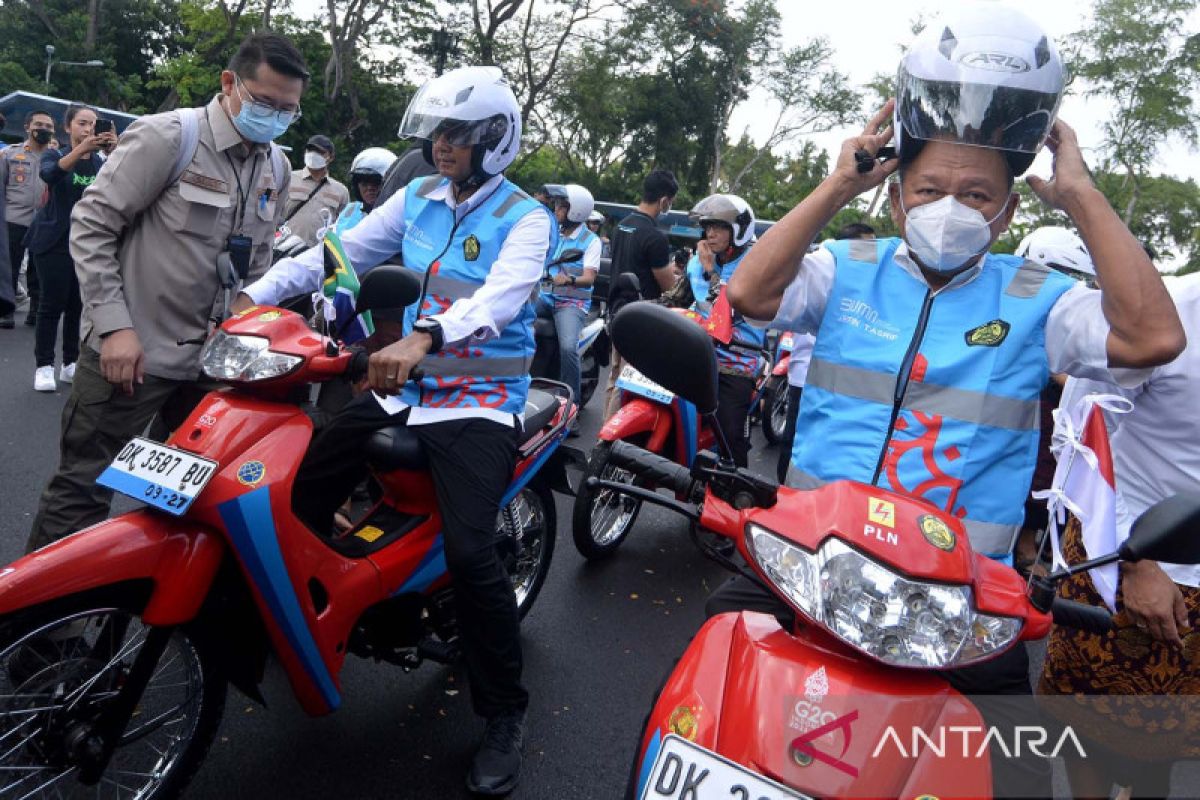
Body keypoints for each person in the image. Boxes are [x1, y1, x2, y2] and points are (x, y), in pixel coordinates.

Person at [718, 7, 1184, 796]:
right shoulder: (845, 266)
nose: (950, 206)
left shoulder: (1042, 299)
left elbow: (1150, 339)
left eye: (976, 194)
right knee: (708, 701)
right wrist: (837, 184)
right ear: (897, 197)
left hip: (963, 599)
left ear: (1008, 211)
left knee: (1013, 781)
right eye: (929, 187)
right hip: (806, 563)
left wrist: (1082, 195)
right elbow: (749, 294)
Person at [232, 65, 550, 796]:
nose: (442, 147)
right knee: (302, 486)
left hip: (477, 399)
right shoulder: (417, 198)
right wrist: (259, 294)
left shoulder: (527, 219)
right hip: (400, 386)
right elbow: (337, 257)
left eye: (458, 135)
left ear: (496, 140)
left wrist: (429, 338)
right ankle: (295, 617)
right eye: (437, 133)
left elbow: (499, 301)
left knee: (474, 554)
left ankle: (504, 714)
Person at [25, 32, 304, 553]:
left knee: (189, 500)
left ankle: (139, 619)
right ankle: (43, 634)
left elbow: (259, 266)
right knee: (81, 492)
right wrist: (114, 328)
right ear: (230, 84)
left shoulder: (278, 167)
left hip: (211, 371)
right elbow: (91, 225)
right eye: (265, 102)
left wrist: (245, 330)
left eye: (288, 110)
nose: (275, 117)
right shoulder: (168, 138)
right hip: (132, 357)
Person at [1040, 273, 1200, 799]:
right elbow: (1080, 437)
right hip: (1136, 565)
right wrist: (1134, 560)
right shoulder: (1161, 313)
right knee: (1089, 724)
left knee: (1167, 744)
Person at [24, 104, 114, 392]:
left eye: (93, 124)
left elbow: (119, 185)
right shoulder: (56, 153)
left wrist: (115, 151)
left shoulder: (100, 164)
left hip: (86, 245)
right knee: (51, 306)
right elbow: (50, 175)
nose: (88, 129)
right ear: (68, 127)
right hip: (53, 241)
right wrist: (80, 151)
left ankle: (70, 363)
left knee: (78, 306)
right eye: (82, 123)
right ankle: (44, 365)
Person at [774, 223, 873, 482]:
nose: (873, 254)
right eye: (867, 247)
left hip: (844, 388)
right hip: (804, 379)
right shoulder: (825, 275)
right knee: (793, 445)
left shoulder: (867, 287)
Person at [683, 193, 764, 467]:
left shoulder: (756, 263)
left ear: (739, 229)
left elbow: (728, 311)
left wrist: (710, 272)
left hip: (736, 360)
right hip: (695, 350)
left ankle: (735, 497)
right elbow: (679, 298)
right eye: (707, 226)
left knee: (730, 436)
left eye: (719, 227)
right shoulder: (699, 259)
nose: (710, 233)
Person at [601, 169, 678, 419]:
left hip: (615, 311)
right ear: (664, 200)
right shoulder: (654, 237)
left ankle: (604, 432)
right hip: (641, 318)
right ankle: (609, 441)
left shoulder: (621, 227)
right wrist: (678, 276)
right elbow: (668, 286)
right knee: (628, 380)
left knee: (614, 377)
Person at [539, 183, 602, 428]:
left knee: (568, 348)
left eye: (561, 206)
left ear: (575, 211)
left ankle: (570, 409)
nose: (556, 210)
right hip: (545, 297)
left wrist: (570, 279)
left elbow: (589, 278)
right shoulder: (552, 231)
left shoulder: (591, 241)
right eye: (556, 204)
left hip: (571, 303)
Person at [0, 109, 55, 329]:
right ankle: (6, 311)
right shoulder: (10, 155)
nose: (44, 130)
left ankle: (36, 312)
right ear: (27, 127)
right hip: (14, 219)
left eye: (49, 127)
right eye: (39, 125)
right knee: (9, 268)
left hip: (43, 221)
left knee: (38, 269)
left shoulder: (56, 158)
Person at [283, 134, 349, 245]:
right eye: (310, 150)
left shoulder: (341, 191)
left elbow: (343, 227)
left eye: (320, 152)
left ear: (331, 157)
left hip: (318, 254)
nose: (313, 155)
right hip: (284, 248)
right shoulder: (288, 178)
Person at [328, 146, 398, 234]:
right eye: (364, 182)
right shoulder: (351, 209)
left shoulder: (395, 215)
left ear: (389, 184)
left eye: (375, 182)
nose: (369, 188)